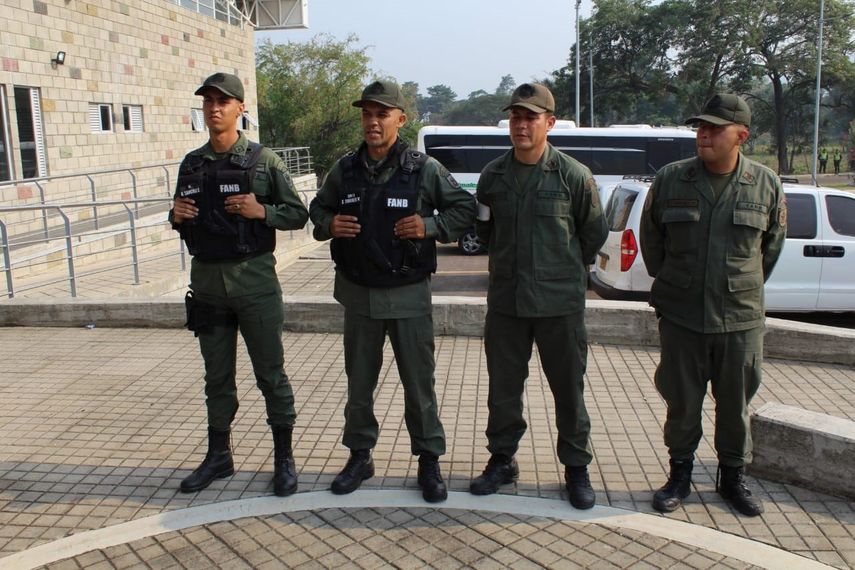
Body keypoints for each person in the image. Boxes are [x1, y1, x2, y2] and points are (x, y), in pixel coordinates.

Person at [309, 80, 476, 503]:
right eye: (367, 113)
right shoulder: (344, 169)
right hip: (358, 296)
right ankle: (360, 456)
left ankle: (428, 461)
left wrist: (430, 227)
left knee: (419, 386)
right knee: (359, 386)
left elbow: (463, 208)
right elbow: (317, 208)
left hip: (407, 296)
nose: (373, 121)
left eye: (382, 114)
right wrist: (330, 225)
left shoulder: (423, 169)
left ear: (400, 119)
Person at [640, 93, 787, 517]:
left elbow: (770, 249)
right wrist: (678, 286)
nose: (703, 135)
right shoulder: (670, 179)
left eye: (714, 128)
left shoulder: (765, 183)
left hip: (740, 319)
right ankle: (679, 476)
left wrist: (738, 286)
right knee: (682, 402)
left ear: (741, 135)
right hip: (682, 316)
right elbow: (653, 242)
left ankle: (732, 478)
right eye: (700, 128)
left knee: (735, 406)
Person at [169, 72, 309, 496]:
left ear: (240, 109)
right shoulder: (191, 163)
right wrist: (174, 216)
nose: (214, 108)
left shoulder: (265, 161)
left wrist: (259, 211)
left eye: (223, 102)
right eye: (208, 101)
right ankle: (219, 456)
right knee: (216, 377)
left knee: (271, 374)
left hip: (255, 285)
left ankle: (283, 458)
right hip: (208, 283)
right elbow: (181, 216)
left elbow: (298, 214)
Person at [468, 83, 607, 510]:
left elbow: (593, 234)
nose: (521, 125)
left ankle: (576, 468)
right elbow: (486, 231)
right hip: (507, 305)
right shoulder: (493, 176)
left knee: (568, 390)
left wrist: (558, 273)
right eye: (515, 117)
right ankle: (502, 460)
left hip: (559, 307)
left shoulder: (572, 175)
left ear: (549, 122)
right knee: (503, 391)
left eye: (530, 118)